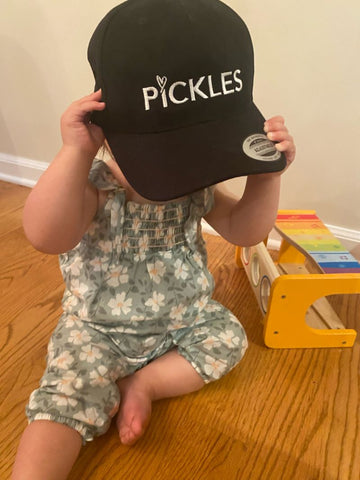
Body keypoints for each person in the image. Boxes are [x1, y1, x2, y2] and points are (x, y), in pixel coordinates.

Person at [12, 1, 296, 479]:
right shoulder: (96, 185)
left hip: (185, 319)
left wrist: (267, 175)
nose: (186, 172)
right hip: (98, 331)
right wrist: (72, 154)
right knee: (64, 400)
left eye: (198, 154)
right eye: (170, 156)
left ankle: (146, 383)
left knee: (228, 338)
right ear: (105, 134)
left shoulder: (194, 187)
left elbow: (245, 232)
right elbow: (45, 234)